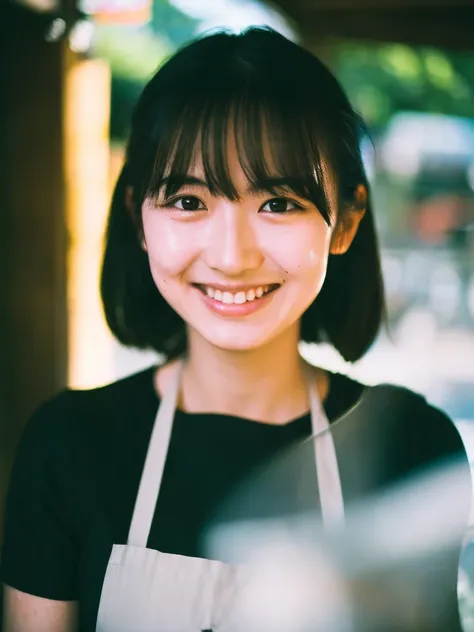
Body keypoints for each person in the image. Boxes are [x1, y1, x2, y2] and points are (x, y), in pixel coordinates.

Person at [1, 26, 471, 632]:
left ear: (346, 221)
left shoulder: (412, 449)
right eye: (189, 201)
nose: (231, 255)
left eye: (278, 203)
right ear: (137, 216)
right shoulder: (66, 448)